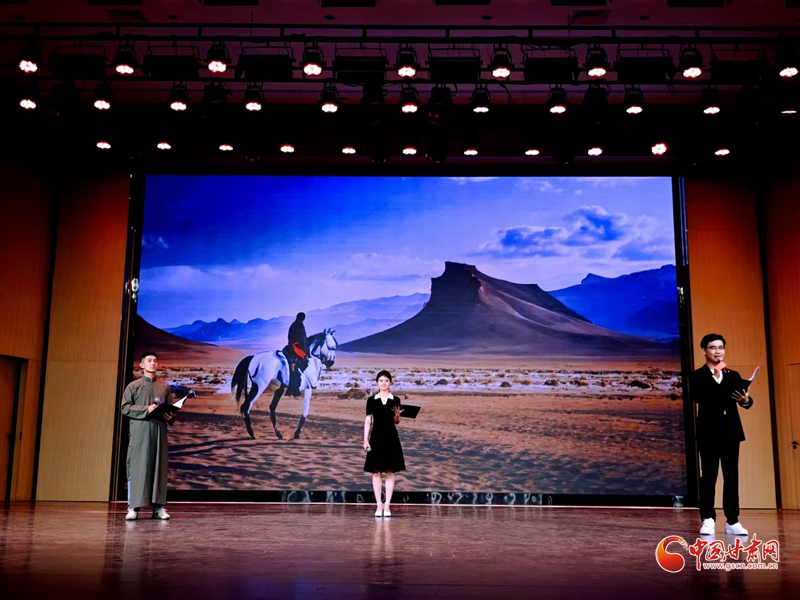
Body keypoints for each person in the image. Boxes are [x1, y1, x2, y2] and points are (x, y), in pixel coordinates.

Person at [689, 333, 754, 536]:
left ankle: (732, 520)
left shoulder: (732, 374)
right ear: (704, 350)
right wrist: (717, 376)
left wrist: (745, 401)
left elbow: (745, 402)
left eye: (721, 347)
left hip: (731, 432)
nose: (718, 352)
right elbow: (701, 397)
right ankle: (708, 518)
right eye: (713, 347)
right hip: (708, 432)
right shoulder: (696, 376)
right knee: (709, 476)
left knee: (731, 476)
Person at [121, 351, 176, 521]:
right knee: (138, 466)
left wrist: (170, 416)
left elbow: (171, 408)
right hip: (140, 431)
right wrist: (146, 409)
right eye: (150, 360)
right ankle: (133, 507)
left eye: (155, 361)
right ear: (142, 365)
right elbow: (125, 407)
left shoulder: (164, 387)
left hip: (159, 431)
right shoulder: (133, 386)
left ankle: (159, 508)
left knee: (159, 467)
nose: (153, 363)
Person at [363, 370, 406, 518]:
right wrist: (365, 439)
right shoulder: (371, 400)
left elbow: (396, 422)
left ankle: (387, 505)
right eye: (381, 380)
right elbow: (368, 421)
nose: (383, 383)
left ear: (390, 382)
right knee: (376, 472)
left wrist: (398, 416)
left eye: (386, 380)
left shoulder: (395, 399)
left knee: (390, 471)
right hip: (376, 437)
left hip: (391, 437)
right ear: (377, 383)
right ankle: (378, 505)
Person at [285, 312, 309, 397]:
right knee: (296, 368)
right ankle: (294, 389)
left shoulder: (294, 325)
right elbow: (302, 340)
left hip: (292, 347)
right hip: (296, 349)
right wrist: (304, 351)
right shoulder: (299, 326)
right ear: (304, 318)